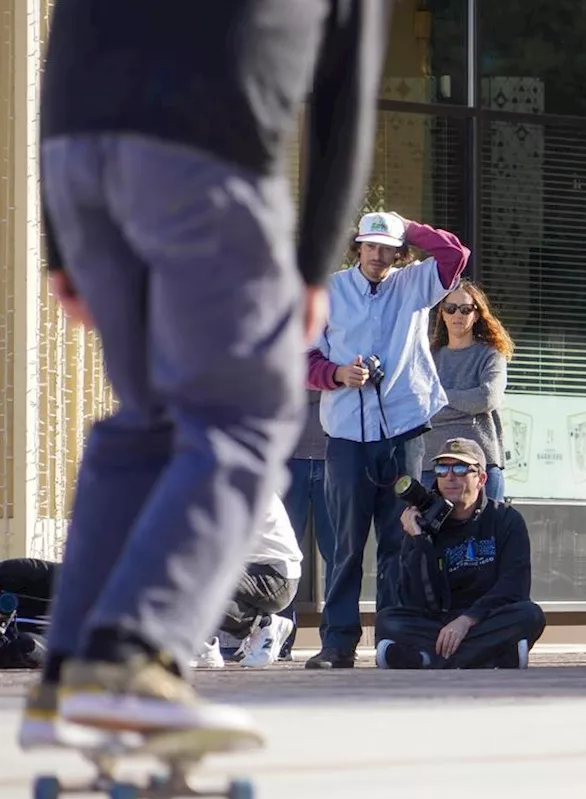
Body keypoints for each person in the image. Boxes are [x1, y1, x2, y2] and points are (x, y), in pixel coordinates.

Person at [21, 0, 390, 745]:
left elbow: (67, 27)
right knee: (243, 415)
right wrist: (314, 263)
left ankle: (67, 681)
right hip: (200, 156)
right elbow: (345, 94)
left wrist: (61, 234)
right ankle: (134, 658)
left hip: (80, 159)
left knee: (149, 422)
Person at [303, 211, 471, 669]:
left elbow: (455, 253)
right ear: (358, 248)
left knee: (402, 539)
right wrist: (337, 374)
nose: (378, 256)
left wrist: (405, 225)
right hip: (346, 433)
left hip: (402, 428)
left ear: (400, 252)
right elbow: (303, 356)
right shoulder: (329, 289)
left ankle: (393, 639)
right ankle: (338, 642)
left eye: (388, 248)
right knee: (346, 543)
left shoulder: (414, 282)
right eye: (370, 245)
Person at [18, 493, 304, 748]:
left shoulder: (228, 480)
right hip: (244, 564)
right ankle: (74, 679)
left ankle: (250, 628)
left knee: (190, 573)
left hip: (275, 576)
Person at [374, 439, 545, 669]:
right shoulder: (424, 522)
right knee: (387, 621)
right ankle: (492, 657)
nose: (450, 477)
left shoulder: (506, 519)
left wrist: (467, 620)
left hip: (484, 618)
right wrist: (419, 540)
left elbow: (514, 586)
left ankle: (428, 660)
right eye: (442, 469)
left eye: (461, 468)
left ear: (481, 478)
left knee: (530, 615)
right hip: (439, 621)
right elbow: (415, 600)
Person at [193, 493, 302, 671]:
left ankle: (264, 625)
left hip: (274, 577)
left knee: (192, 578)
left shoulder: (235, 484)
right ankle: (203, 646)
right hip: (263, 573)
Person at [427, 280, 514, 502]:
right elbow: (420, 406)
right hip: (432, 466)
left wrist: (440, 396)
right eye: (451, 308)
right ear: (443, 314)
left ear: (476, 315)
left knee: (487, 534)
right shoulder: (428, 357)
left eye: (466, 309)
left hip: (481, 464)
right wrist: (466, 405)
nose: (458, 314)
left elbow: (486, 398)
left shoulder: (491, 355)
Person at [278, 391, 335, 662]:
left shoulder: (337, 347)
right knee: (282, 553)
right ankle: (278, 637)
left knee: (337, 554)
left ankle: (336, 638)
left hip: (333, 456)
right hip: (288, 460)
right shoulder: (282, 349)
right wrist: (326, 381)